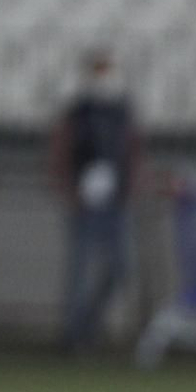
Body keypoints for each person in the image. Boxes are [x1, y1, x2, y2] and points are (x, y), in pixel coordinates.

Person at [50, 49, 139, 352]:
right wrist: (68, 188)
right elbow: (61, 151)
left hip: (116, 201)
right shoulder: (78, 112)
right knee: (79, 270)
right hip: (83, 201)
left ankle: (88, 323)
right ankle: (74, 335)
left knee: (121, 268)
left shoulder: (122, 111)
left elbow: (133, 151)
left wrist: (132, 185)